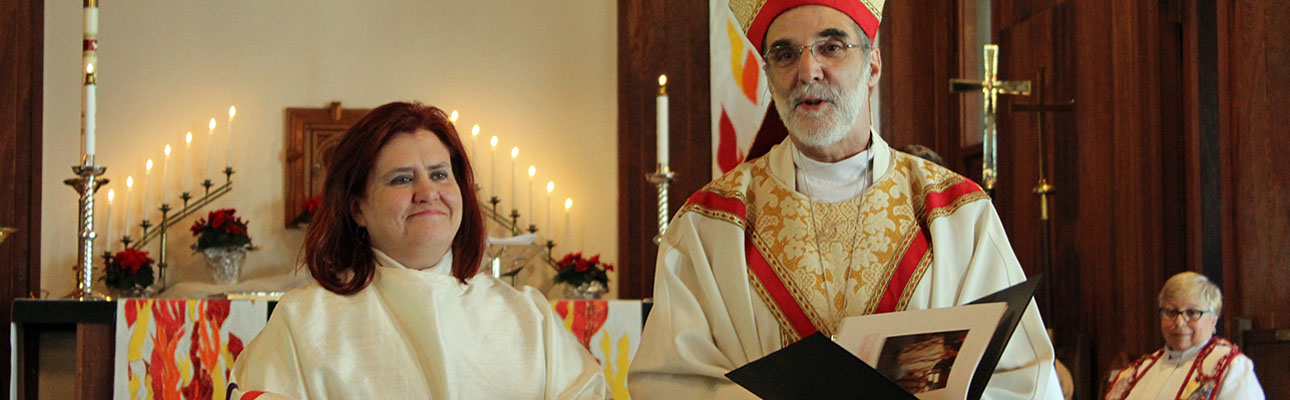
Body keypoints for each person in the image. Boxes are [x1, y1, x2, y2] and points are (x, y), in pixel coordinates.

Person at [628, 1, 1062, 398]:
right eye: (784, 54)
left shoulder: (958, 215)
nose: (808, 70)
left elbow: (1024, 380)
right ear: (768, 75)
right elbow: (669, 384)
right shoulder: (709, 226)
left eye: (831, 47)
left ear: (872, 64)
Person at [228, 102, 608, 399]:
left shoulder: (527, 316)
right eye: (402, 178)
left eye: (440, 174)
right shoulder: (303, 323)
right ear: (357, 207)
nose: (429, 191)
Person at [1103, 272, 1265, 400]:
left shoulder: (1230, 367)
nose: (1179, 322)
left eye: (1192, 312)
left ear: (1214, 320)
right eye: (1171, 312)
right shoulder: (1136, 372)